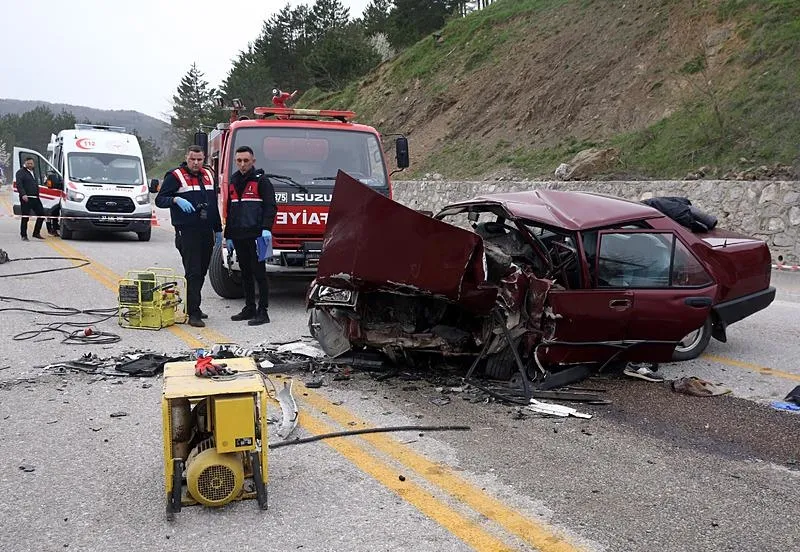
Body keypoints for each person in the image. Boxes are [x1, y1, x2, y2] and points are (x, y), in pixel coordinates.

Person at [155, 145, 222, 328]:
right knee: (192, 271)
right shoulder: (175, 176)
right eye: (192, 159)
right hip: (187, 231)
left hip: (205, 230)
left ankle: (194, 306)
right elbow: (160, 200)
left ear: (204, 159)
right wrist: (175, 199)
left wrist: (218, 230)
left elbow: (213, 204)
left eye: (199, 159)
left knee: (201, 271)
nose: (196, 163)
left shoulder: (207, 175)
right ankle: (193, 312)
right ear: (187, 157)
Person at [224, 146, 277, 326]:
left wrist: (266, 229)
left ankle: (263, 311)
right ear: (235, 161)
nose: (242, 164)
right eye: (239, 160)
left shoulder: (262, 181)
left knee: (260, 273)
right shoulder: (233, 181)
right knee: (245, 272)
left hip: (260, 236)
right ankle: (249, 308)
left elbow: (271, 207)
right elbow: (230, 210)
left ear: (253, 161)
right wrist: (228, 235)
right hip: (239, 235)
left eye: (246, 161)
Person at [16, 157, 46, 241]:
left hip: (35, 198)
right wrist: (23, 194)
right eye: (28, 163)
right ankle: (23, 235)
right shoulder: (20, 172)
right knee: (25, 217)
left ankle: (36, 233)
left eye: (31, 163)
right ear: (25, 163)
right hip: (26, 198)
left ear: (33, 164)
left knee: (42, 214)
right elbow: (19, 185)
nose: (30, 165)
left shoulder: (34, 172)